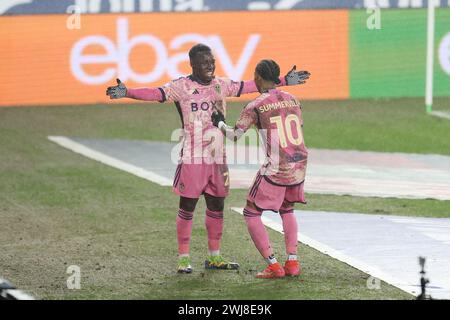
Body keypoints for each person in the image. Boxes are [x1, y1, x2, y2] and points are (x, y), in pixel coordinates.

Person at [106, 44, 310, 274]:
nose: (210, 66)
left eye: (212, 62)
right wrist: (128, 92)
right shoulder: (181, 87)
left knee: (216, 206)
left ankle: (214, 256)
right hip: (193, 157)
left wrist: (283, 80)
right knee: (187, 207)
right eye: (205, 63)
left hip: (217, 157)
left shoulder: (220, 84)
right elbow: (156, 94)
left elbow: (251, 85)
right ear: (193, 64)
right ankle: (183, 258)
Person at [211, 59, 308, 279]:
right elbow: (298, 128)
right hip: (300, 163)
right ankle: (292, 262)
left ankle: (273, 265)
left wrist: (218, 123)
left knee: (251, 212)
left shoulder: (255, 105)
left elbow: (235, 135)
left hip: (276, 168)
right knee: (287, 209)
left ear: (258, 77)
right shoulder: (293, 98)